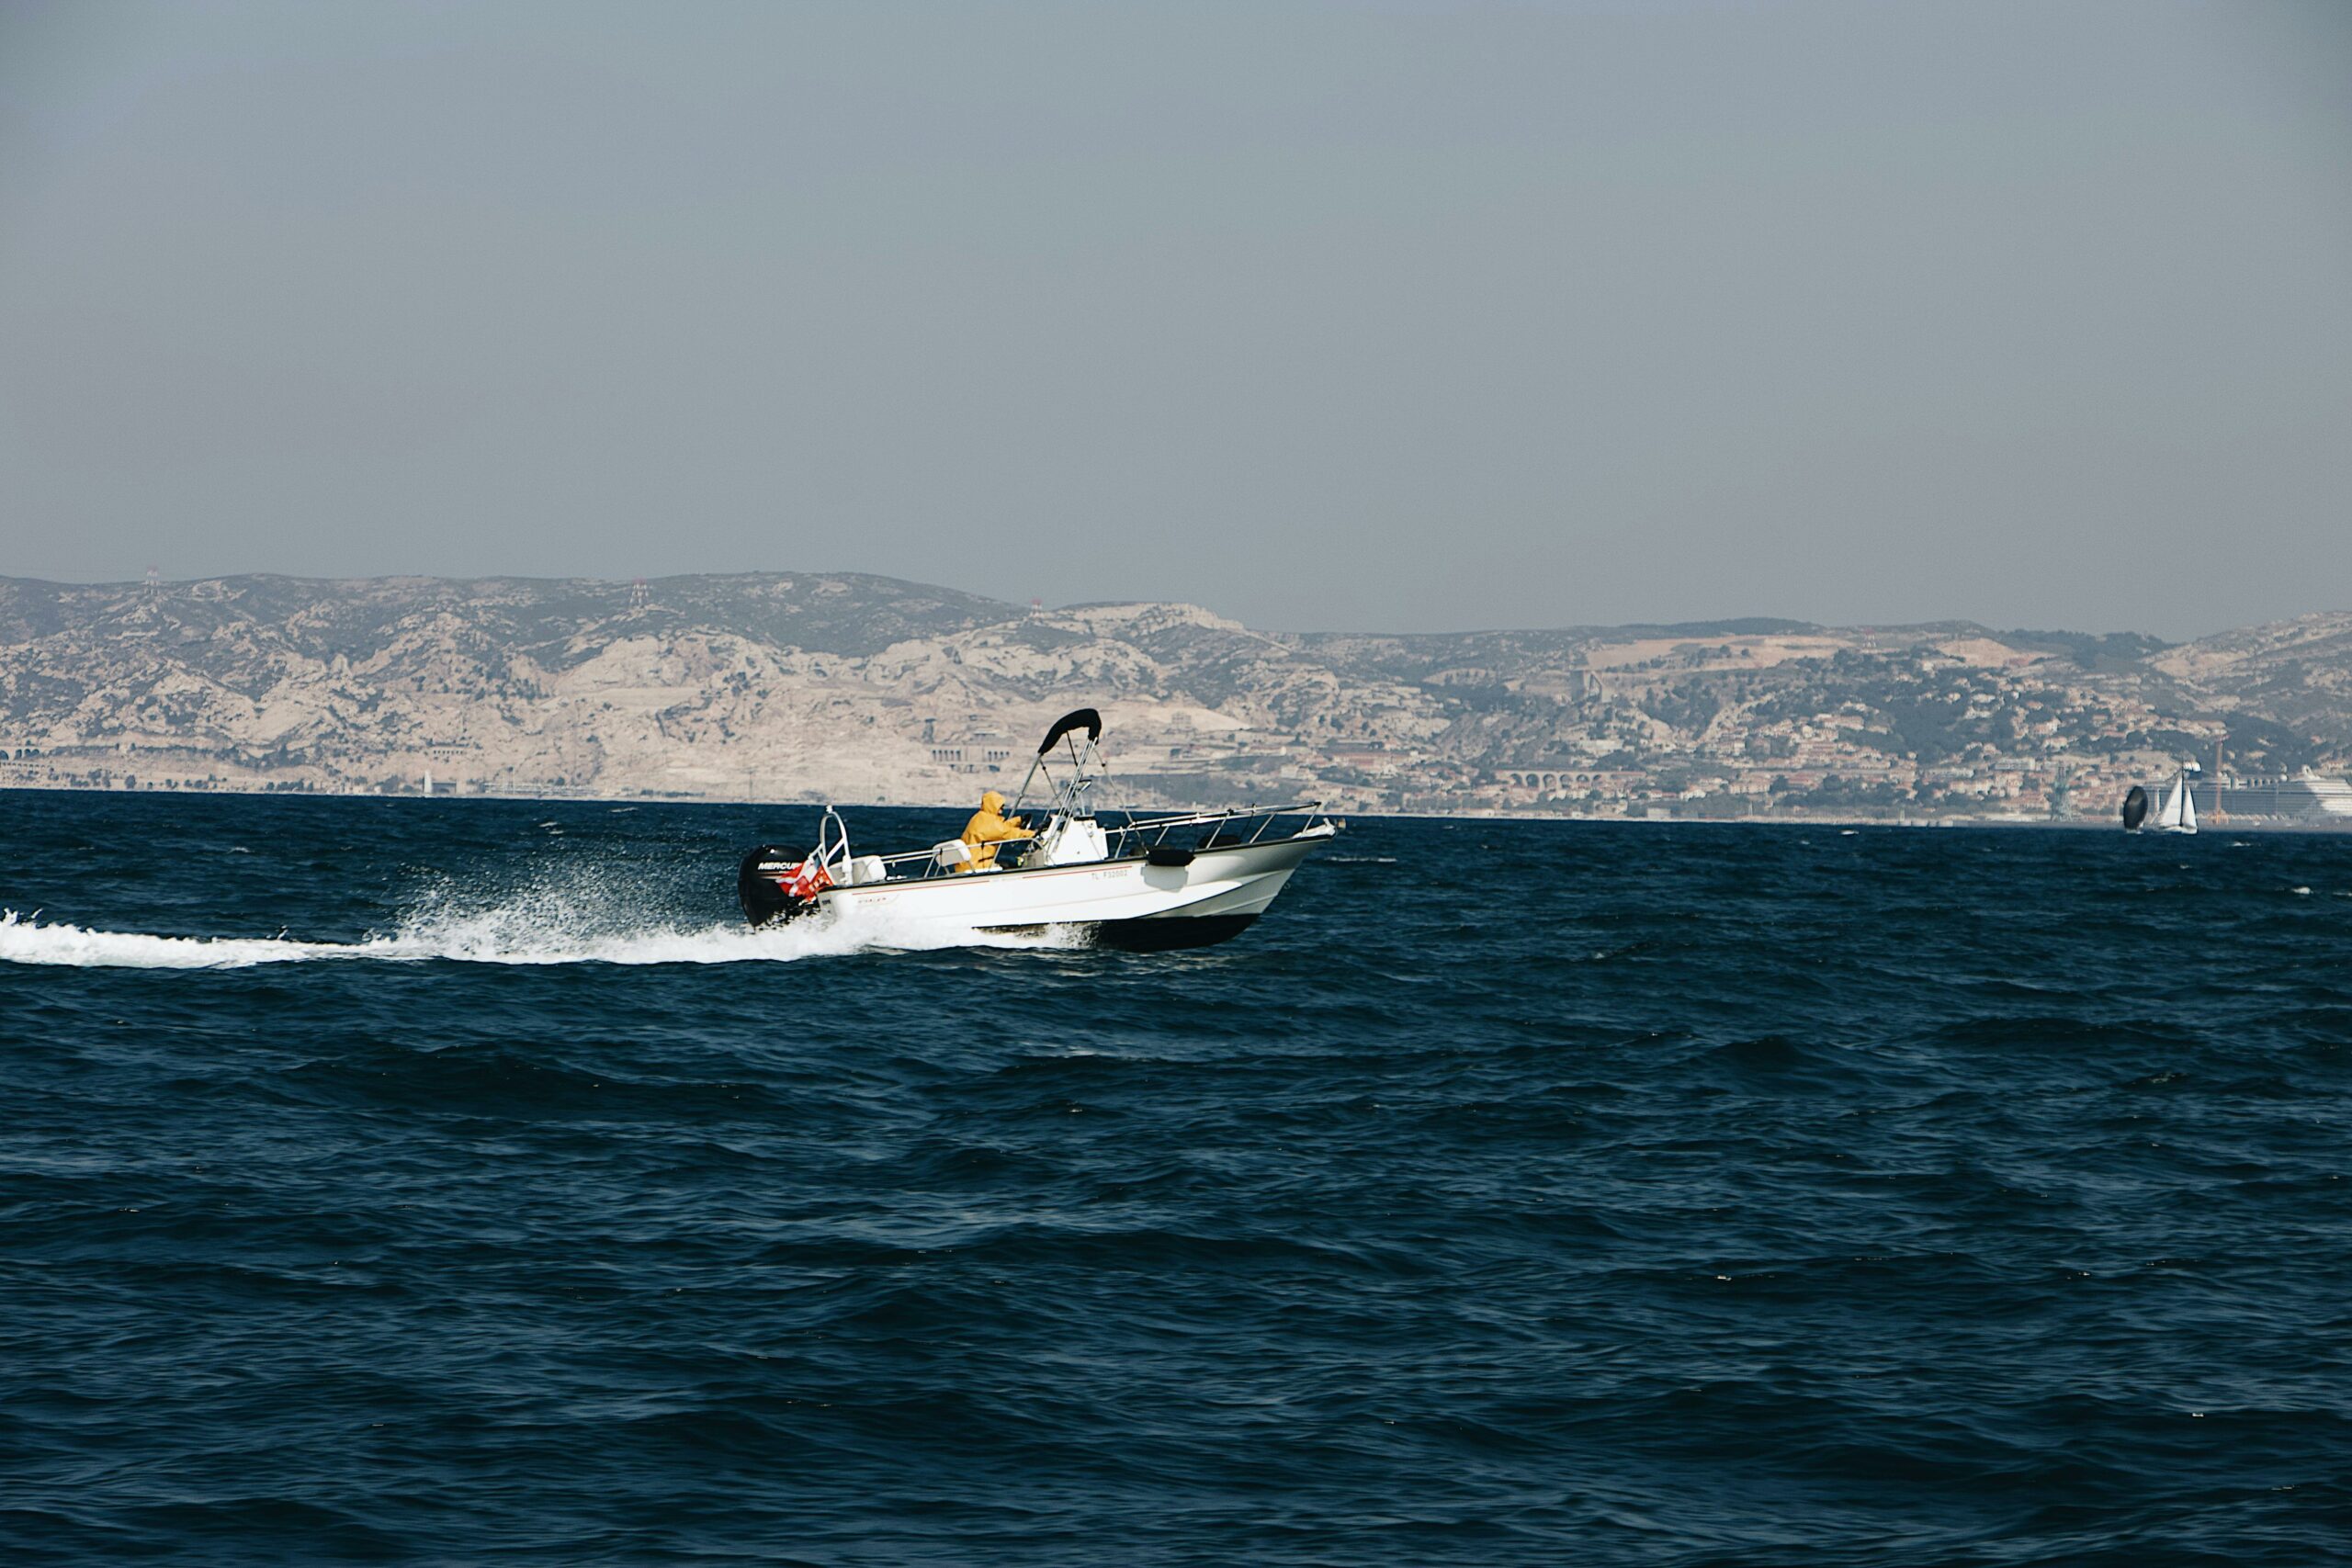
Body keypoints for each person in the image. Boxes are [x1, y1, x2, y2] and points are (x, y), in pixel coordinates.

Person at [956, 790, 1035, 872]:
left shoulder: (981, 818)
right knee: (1010, 867)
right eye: (1000, 806)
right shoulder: (987, 822)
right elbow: (1005, 833)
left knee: (1007, 865)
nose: (1002, 809)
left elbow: (1001, 828)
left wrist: (1019, 820)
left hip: (967, 865)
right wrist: (1033, 834)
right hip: (978, 866)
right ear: (992, 805)